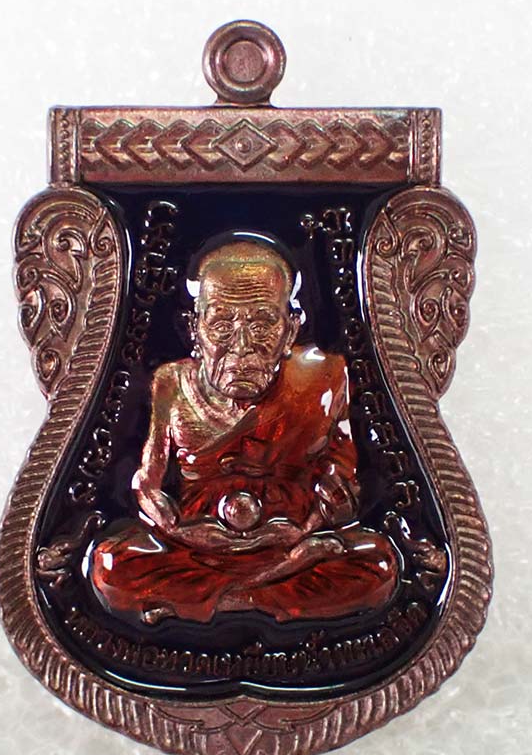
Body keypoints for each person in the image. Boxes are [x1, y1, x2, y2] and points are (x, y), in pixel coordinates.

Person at [89, 238, 399, 624]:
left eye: (262, 323)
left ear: (290, 329)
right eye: (221, 324)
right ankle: (256, 596)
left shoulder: (321, 378)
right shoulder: (172, 383)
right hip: (199, 547)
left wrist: (320, 517)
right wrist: (173, 524)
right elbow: (147, 483)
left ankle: (216, 601)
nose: (241, 345)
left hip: (291, 542)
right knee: (111, 566)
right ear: (195, 329)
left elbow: (344, 479)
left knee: (377, 565)